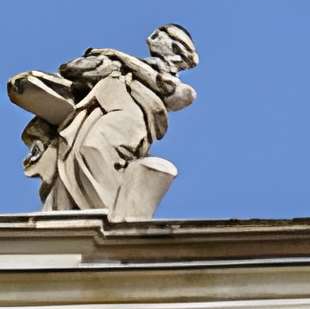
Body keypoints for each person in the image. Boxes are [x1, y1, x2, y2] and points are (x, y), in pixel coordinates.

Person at [10, 24, 198, 215]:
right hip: (96, 113)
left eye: (164, 34)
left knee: (93, 149)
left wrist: (118, 57)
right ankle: (74, 210)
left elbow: (167, 88)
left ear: (176, 51)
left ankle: (106, 211)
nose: (156, 35)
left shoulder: (179, 87)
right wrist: (98, 61)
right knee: (70, 155)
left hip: (129, 118)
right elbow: (70, 70)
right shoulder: (119, 66)